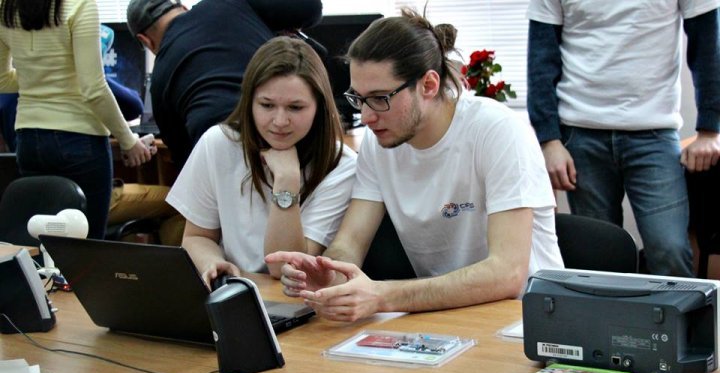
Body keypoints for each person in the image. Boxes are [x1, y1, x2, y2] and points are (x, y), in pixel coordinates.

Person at [266, 10, 564, 323]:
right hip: (446, 319)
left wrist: (382, 296)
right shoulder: (378, 144)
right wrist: (330, 274)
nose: (366, 116)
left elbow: (507, 273)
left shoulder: (497, 131)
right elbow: (350, 241)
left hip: (529, 321)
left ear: (428, 85)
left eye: (380, 98)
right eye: (359, 98)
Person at [526, 1, 720, 277]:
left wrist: (710, 129)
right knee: (596, 262)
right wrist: (549, 141)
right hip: (581, 135)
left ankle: (674, 322)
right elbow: (540, 60)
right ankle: (608, 322)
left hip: (655, 134)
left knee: (670, 250)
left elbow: (708, 47)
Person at [165, 36, 356, 285]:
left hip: (295, 302)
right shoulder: (219, 143)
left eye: (295, 108)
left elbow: (284, 266)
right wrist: (212, 262)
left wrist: (286, 181)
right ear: (249, 102)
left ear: (319, 107)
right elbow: (196, 237)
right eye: (266, 105)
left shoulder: (341, 164)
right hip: (236, 293)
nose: (279, 121)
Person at [0, 0, 152, 239]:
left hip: (29, 141)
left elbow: (2, 80)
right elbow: (94, 89)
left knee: (43, 245)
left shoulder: (6, 7)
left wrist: (39, 75)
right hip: (79, 141)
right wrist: (128, 140)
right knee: (87, 250)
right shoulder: (79, 5)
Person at [126, 0, 322, 168]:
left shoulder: (160, 78)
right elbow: (309, 8)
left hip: (223, 162)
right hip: (297, 143)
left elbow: (185, 161)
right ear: (184, 8)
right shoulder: (227, 3)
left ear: (146, 41)